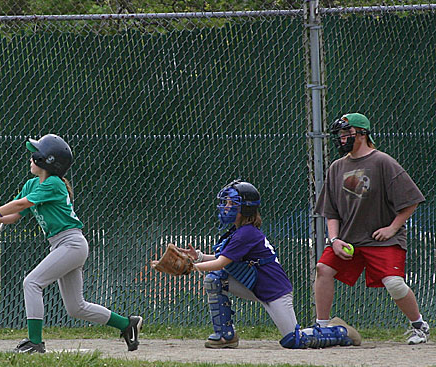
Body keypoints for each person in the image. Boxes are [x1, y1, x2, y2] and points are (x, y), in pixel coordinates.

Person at [0, 134, 142, 353]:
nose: (31, 157)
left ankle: (35, 342)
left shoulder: (55, 184)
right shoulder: (31, 185)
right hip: (61, 245)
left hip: (71, 243)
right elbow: (16, 214)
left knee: (32, 283)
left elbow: (22, 203)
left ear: (46, 161)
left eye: (35, 154)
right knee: (76, 307)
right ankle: (127, 324)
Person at [160, 180, 360, 350]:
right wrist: (199, 257)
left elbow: (221, 262)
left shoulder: (246, 233)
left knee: (294, 340)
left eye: (231, 203)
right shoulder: (237, 231)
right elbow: (224, 259)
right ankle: (225, 336)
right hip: (254, 284)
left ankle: (339, 331)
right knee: (215, 279)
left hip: (274, 290)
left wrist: (191, 266)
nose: (226, 207)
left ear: (245, 208)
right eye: (226, 202)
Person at [315, 113, 429, 344]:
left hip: (382, 240)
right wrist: (334, 239)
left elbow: (411, 201)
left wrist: (391, 229)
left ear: (363, 134)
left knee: (394, 284)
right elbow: (331, 212)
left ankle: (419, 326)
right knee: (323, 269)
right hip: (349, 240)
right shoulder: (337, 167)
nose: (342, 138)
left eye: (347, 133)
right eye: (340, 134)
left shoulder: (382, 162)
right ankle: (322, 327)